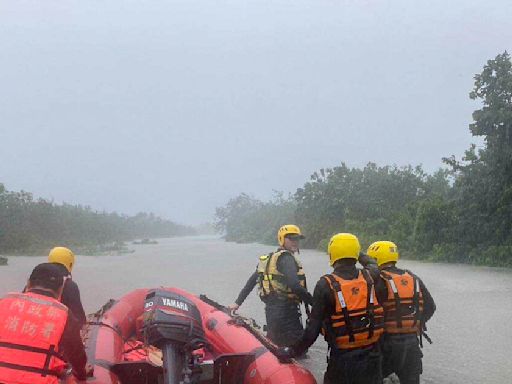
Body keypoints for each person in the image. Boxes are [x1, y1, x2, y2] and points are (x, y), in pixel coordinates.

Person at [278, 233, 384, 384]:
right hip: (373, 359)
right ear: (355, 252)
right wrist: (354, 250)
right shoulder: (371, 275)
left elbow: (312, 331)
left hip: (342, 362)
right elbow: (372, 262)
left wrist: (292, 351)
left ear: (332, 254)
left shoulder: (325, 285)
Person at [0, 263, 92, 384]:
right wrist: (81, 376)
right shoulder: (64, 314)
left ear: (28, 283)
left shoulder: (4, 302)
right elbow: (77, 356)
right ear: (60, 290)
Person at [228, 224, 313, 347]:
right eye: (291, 238)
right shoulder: (287, 258)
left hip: (271, 312)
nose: (295, 242)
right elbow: (295, 286)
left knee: (275, 345)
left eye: (297, 239)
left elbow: (252, 281)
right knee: (298, 351)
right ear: (282, 239)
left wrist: (237, 303)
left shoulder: (269, 258)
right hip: (287, 314)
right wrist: (315, 303)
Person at [366, 241, 436, 384]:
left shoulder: (378, 281)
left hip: (387, 346)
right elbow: (430, 307)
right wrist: (415, 323)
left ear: (375, 259)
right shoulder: (413, 278)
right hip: (412, 345)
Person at [47, 246, 87, 328]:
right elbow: (80, 319)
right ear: (70, 264)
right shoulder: (70, 286)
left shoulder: (33, 282)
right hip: (54, 332)